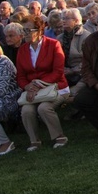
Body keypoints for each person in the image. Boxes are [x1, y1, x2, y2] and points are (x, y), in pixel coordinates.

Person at [16, 15, 69, 151]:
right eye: (23, 30)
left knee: (44, 108)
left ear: (39, 30)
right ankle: (34, 141)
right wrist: (27, 86)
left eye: (28, 30)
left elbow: (58, 72)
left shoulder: (53, 44)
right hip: (33, 91)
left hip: (56, 87)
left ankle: (59, 137)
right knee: (26, 110)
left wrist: (38, 85)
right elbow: (21, 76)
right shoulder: (22, 50)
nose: (24, 34)